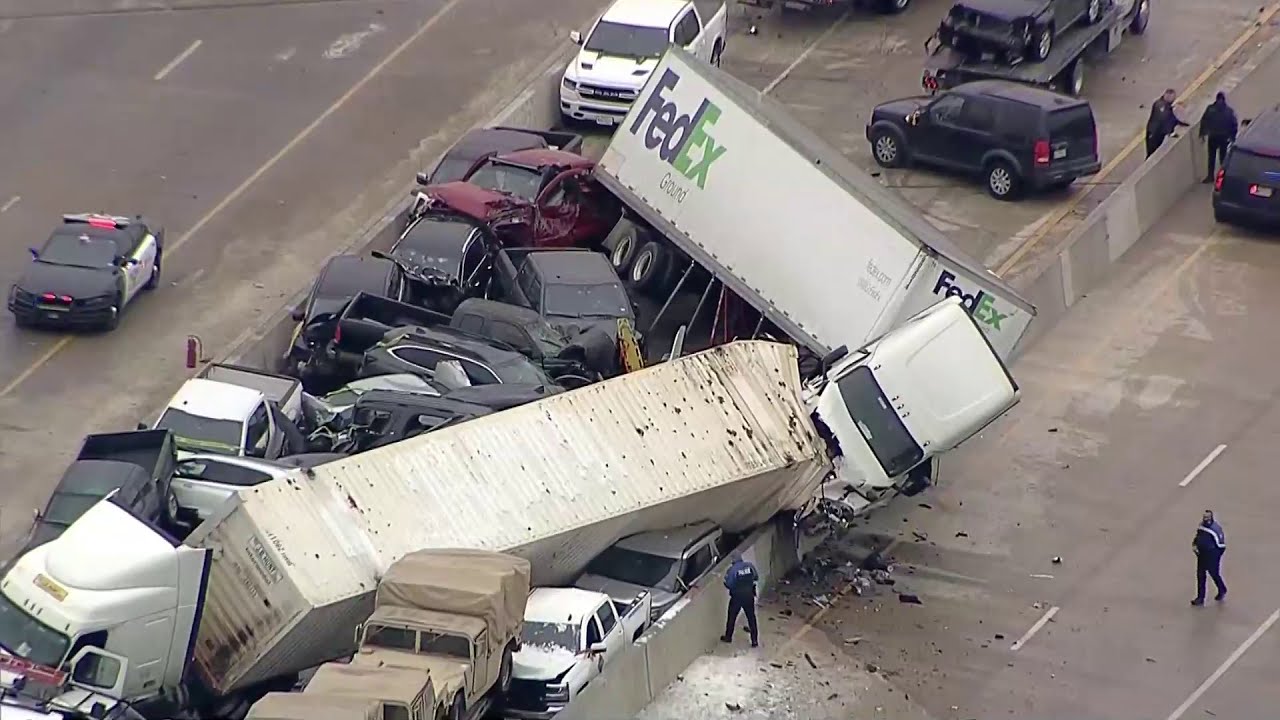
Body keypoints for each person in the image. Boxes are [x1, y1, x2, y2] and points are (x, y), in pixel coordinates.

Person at [1199, 92, 1239, 182]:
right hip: (1224, 137)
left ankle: (1210, 176)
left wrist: (1202, 134)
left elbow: (1204, 121)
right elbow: (1234, 125)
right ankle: (1223, 177)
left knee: (1211, 158)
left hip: (1213, 136)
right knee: (1223, 159)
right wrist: (1233, 137)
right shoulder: (1229, 111)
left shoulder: (1210, 109)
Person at [721, 554, 760, 647]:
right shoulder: (750, 566)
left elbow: (729, 584)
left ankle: (728, 637)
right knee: (751, 618)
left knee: (732, 617)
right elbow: (756, 577)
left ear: (733, 561)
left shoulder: (732, 570)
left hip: (737, 597)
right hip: (749, 595)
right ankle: (754, 640)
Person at [1192, 510, 1227, 606]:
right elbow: (1197, 536)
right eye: (1204, 517)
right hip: (1201, 554)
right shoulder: (1201, 526)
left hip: (1212, 555)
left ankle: (1222, 589)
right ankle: (1200, 598)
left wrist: (1216, 556)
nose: (1205, 519)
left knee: (1214, 574)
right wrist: (1194, 545)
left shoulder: (1215, 529)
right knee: (1200, 575)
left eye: (1207, 517)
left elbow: (1221, 545)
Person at [1146, 89, 1190, 158]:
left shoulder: (1166, 106)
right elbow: (1165, 119)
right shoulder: (1160, 106)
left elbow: (1171, 117)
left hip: (1158, 132)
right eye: (1172, 98)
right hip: (1154, 133)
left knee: (1156, 151)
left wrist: (1180, 123)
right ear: (1167, 96)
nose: (1173, 100)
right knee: (1151, 153)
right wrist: (1170, 132)